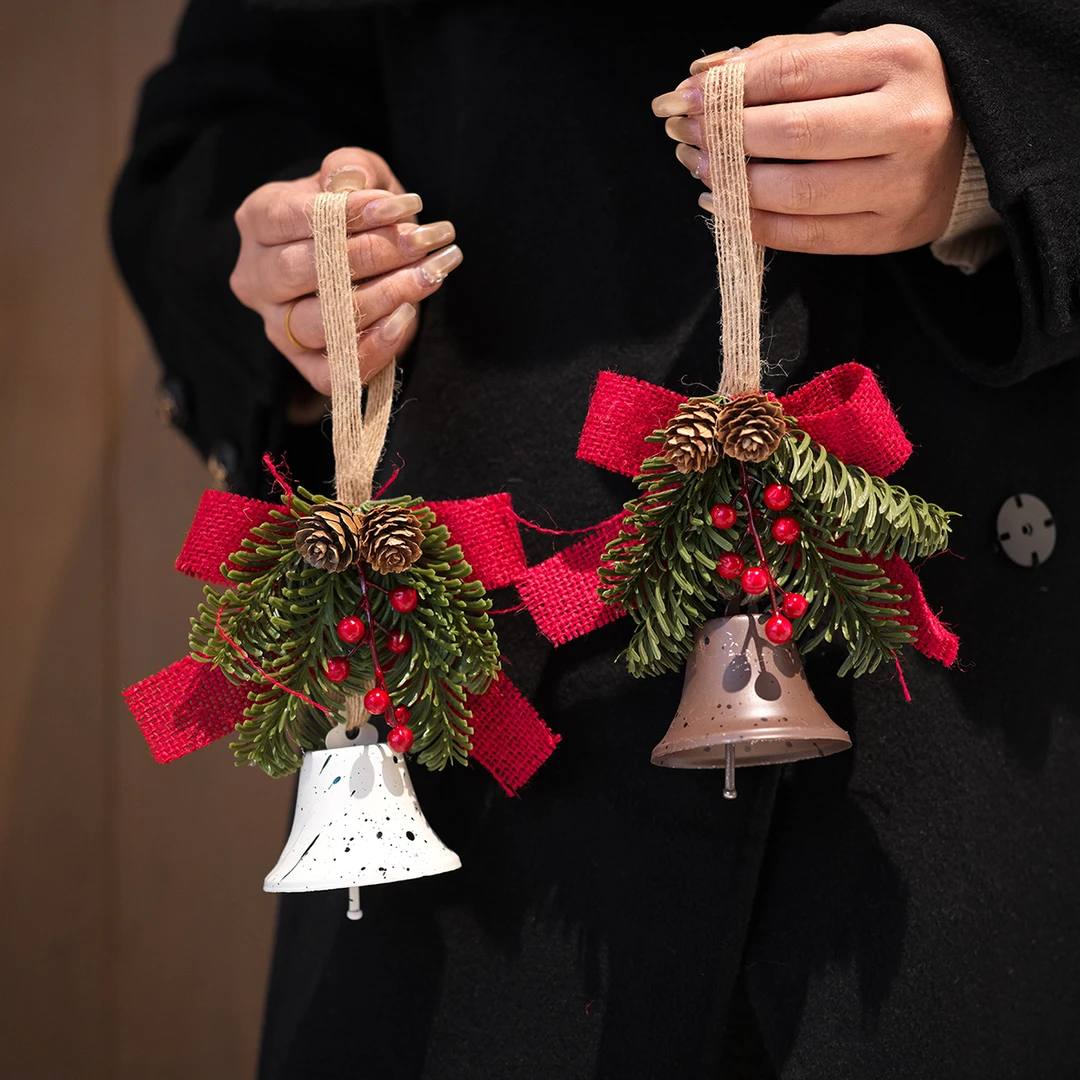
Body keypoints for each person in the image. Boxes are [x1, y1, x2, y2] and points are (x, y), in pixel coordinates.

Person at [111, 2, 1080, 1077]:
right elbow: (223, 125)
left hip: (984, 746)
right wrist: (287, 269)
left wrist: (1013, 148)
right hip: (490, 754)